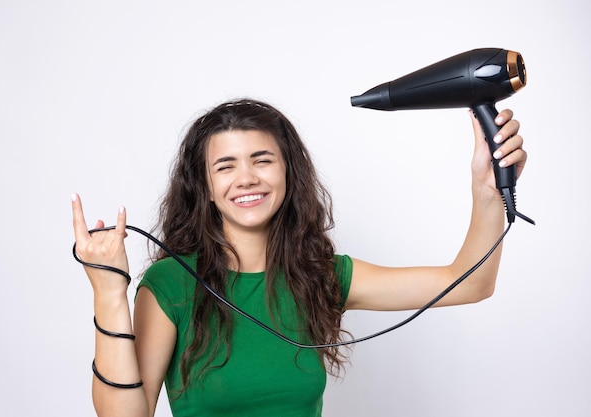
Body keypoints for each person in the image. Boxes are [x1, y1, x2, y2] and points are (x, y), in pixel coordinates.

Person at [71, 98, 527, 417]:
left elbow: (469, 282)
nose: (246, 178)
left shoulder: (321, 277)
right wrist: (109, 291)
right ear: (205, 188)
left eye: (262, 159)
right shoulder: (172, 284)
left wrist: (486, 193)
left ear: (288, 172)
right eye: (225, 166)